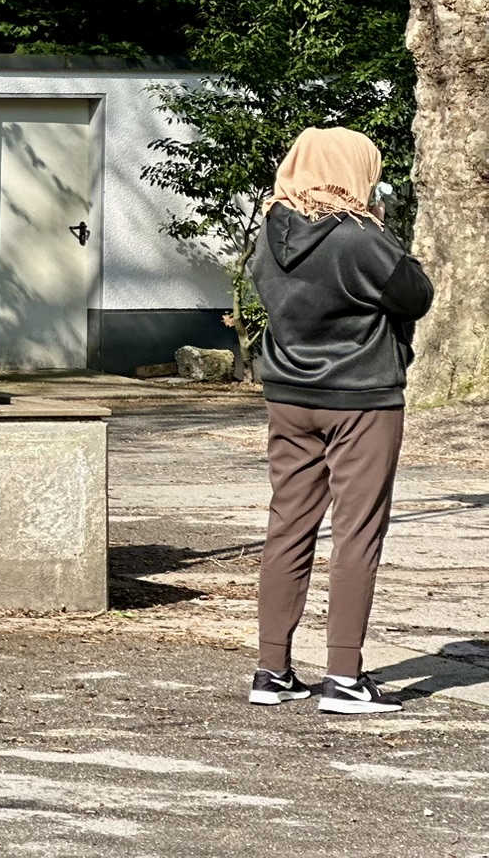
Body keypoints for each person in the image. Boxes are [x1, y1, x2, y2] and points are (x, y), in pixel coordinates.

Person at [247, 127, 431, 716]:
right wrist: (382, 227)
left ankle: (272, 670)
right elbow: (415, 294)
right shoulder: (359, 237)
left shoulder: (268, 233)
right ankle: (345, 678)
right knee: (357, 533)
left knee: (288, 526)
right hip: (362, 397)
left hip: (289, 395)